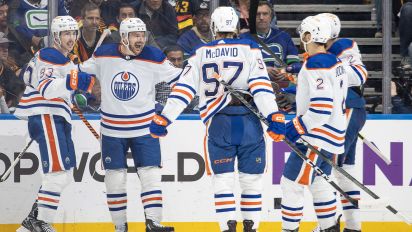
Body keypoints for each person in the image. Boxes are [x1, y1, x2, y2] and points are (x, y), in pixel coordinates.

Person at [150, 7, 285, 232]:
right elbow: (261, 87)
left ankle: (228, 227)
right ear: (234, 26)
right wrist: (274, 116)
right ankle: (250, 228)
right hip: (248, 122)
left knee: (222, 181)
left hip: (218, 123)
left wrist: (165, 118)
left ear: (214, 27)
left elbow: (183, 89)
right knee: (251, 181)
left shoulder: (199, 52)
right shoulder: (249, 48)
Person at [79, 17, 181, 232]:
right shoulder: (104, 54)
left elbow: (180, 77)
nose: (141, 39)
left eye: (142, 34)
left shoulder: (154, 57)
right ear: (124, 37)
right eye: (136, 35)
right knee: (114, 179)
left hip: (145, 128)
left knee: (151, 175)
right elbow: (78, 73)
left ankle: (153, 222)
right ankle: (120, 227)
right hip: (112, 130)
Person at [14, 15, 95, 232]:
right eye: (65, 33)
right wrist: (72, 81)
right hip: (45, 114)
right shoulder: (50, 55)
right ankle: (41, 222)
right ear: (56, 37)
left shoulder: (63, 60)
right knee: (57, 173)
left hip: (56, 116)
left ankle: (31, 222)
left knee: (64, 173)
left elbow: (53, 85)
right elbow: (47, 89)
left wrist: (75, 90)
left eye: (73, 33)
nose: (70, 38)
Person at [280, 16, 347, 232]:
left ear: (309, 35)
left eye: (304, 33)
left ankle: (289, 229)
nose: (301, 38)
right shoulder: (334, 61)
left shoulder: (315, 64)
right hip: (331, 137)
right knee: (319, 183)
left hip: (315, 137)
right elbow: (327, 94)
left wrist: (294, 128)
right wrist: (296, 90)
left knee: (291, 184)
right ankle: (330, 228)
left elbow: (320, 109)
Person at [312, 13, 368, 232]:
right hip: (348, 111)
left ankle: (328, 224)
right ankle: (353, 227)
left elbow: (357, 75)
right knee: (345, 171)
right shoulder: (332, 51)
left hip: (348, 110)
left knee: (325, 167)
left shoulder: (342, 46)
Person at [240, 1, 300, 84]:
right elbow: (239, 67)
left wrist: (286, 71)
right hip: (254, 85)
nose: (261, 17)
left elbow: (295, 64)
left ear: (271, 17)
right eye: (257, 14)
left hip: (282, 85)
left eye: (265, 14)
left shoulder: (284, 37)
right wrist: (262, 70)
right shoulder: (242, 39)